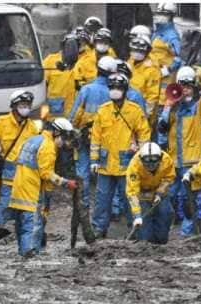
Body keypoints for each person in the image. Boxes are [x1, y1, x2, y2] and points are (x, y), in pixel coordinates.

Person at [90, 73, 151, 238]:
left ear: (124, 90)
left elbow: (144, 134)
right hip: (105, 164)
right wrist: (94, 160)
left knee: (130, 198)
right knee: (102, 199)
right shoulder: (103, 111)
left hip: (127, 164)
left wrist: (142, 157)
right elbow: (95, 137)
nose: (115, 91)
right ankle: (98, 228)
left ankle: (135, 229)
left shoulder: (134, 110)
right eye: (112, 88)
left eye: (118, 88)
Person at [8, 118, 77, 257]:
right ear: (56, 133)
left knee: (22, 221)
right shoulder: (49, 147)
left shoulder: (34, 140)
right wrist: (65, 182)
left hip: (19, 184)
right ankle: (31, 251)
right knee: (34, 221)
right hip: (32, 187)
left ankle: (23, 250)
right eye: (64, 138)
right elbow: (46, 173)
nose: (64, 143)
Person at [157, 65, 201, 236]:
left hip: (192, 163)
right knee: (170, 196)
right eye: (183, 86)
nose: (186, 91)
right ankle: (168, 229)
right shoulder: (173, 109)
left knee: (190, 200)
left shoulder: (199, 107)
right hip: (174, 162)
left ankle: (188, 233)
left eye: (189, 87)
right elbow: (162, 127)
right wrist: (168, 105)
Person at [0, 90, 39, 237]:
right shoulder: (2, 122)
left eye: (28, 105)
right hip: (9, 166)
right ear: (14, 106)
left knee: (25, 199)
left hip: (26, 168)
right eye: (22, 105)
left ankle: (21, 228)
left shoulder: (32, 126)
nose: (26, 108)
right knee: (6, 197)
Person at [69, 55, 117, 209]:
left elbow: (76, 113)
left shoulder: (87, 89)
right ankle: (108, 207)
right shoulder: (113, 92)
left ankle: (82, 204)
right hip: (106, 139)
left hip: (84, 136)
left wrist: (73, 129)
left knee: (83, 170)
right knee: (106, 174)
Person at [126, 142, 176, 244]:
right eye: (147, 163)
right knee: (145, 234)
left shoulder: (166, 160)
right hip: (142, 195)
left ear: (160, 158)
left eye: (154, 162)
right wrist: (137, 215)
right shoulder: (134, 165)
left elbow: (169, 178)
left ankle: (161, 244)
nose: (151, 166)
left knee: (165, 215)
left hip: (160, 193)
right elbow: (132, 192)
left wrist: (160, 192)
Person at [150, 2, 181, 108]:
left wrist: (168, 70)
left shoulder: (172, 36)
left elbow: (179, 57)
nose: (159, 16)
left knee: (162, 106)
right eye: (159, 13)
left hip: (166, 79)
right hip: (154, 76)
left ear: (171, 16)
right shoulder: (157, 32)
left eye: (164, 14)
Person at [43, 33, 79, 119]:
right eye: (68, 45)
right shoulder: (50, 60)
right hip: (55, 113)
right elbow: (43, 85)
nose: (71, 49)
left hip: (75, 114)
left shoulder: (83, 62)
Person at [127, 35, 161, 121]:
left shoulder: (152, 70)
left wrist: (147, 115)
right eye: (135, 50)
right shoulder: (130, 61)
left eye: (140, 51)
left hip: (142, 110)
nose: (137, 53)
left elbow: (153, 96)